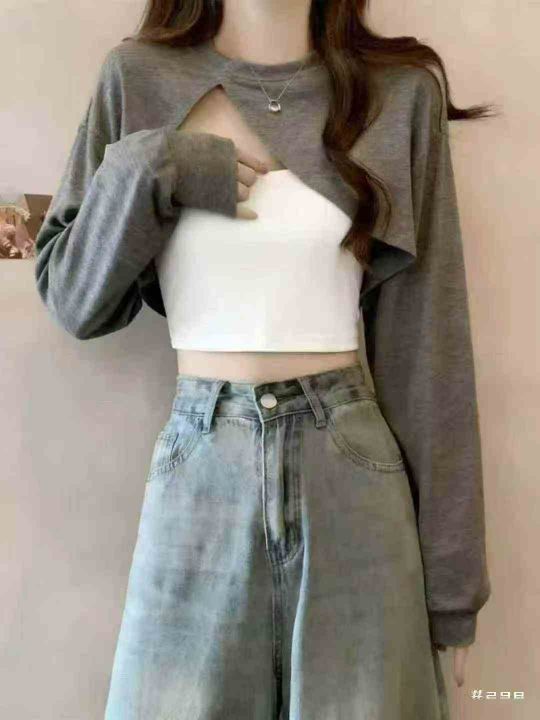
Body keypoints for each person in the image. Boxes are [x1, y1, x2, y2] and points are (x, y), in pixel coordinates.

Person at [34, 1, 495, 718]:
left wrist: (453, 590)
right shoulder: (137, 78)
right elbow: (74, 299)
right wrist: (152, 166)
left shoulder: (397, 93)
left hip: (352, 474)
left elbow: (428, 348)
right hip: (200, 470)